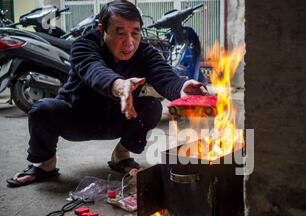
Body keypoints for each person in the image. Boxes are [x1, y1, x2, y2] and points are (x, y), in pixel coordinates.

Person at [7, 0, 207, 187]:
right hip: (77, 119)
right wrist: (120, 85)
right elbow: (94, 70)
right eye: (120, 33)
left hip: (116, 120)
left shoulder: (145, 52)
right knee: (42, 109)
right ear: (102, 30)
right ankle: (45, 164)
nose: (129, 42)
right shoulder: (83, 45)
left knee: (152, 106)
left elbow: (164, 77)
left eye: (135, 33)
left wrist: (181, 88)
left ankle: (121, 155)